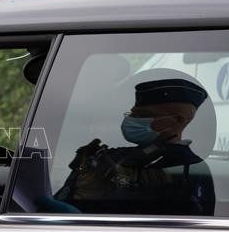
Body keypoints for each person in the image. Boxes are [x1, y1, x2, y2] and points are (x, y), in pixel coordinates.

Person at [53, 76, 216, 216]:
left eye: (143, 116)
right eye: (132, 114)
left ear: (178, 120)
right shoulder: (113, 155)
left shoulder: (190, 168)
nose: (132, 120)